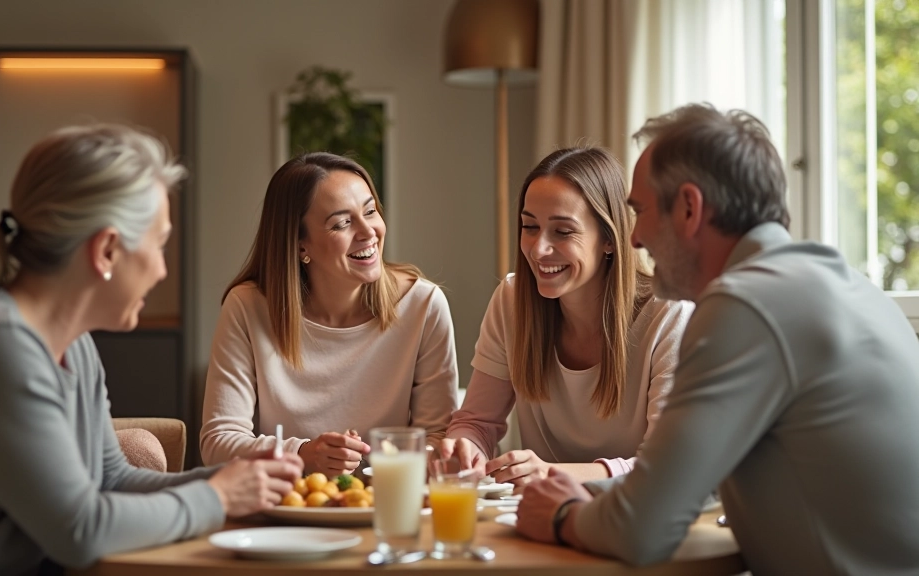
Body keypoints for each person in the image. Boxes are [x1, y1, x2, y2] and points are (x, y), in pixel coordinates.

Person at [516, 104, 919, 575]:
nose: (634, 240)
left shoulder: (747, 304)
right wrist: (590, 495)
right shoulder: (845, 285)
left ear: (689, 208)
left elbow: (641, 531)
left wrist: (563, 514)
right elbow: (693, 481)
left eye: (640, 212)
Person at [0, 125, 303, 575]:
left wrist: (240, 481)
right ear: (107, 250)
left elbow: (112, 479)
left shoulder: (74, 344)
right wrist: (220, 497)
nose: (163, 270)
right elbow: (80, 530)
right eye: (159, 244)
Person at [439, 146, 692, 489]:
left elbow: (668, 466)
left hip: (630, 521)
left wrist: (554, 473)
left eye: (562, 231)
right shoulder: (513, 301)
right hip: (540, 518)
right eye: (530, 226)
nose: (538, 249)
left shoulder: (670, 314)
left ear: (608, 239)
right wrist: (465, 445)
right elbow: (478, 422)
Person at [200, 152, 458, 477]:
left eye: (370, 211)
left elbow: (437, 437)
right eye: (342, 223)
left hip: (387, 504)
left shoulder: (423, 305)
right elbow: (218, 443)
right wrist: (302, 454)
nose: (369, 232)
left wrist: (397, 465)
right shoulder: (247, 307)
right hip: (286, 509)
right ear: (299, 245)